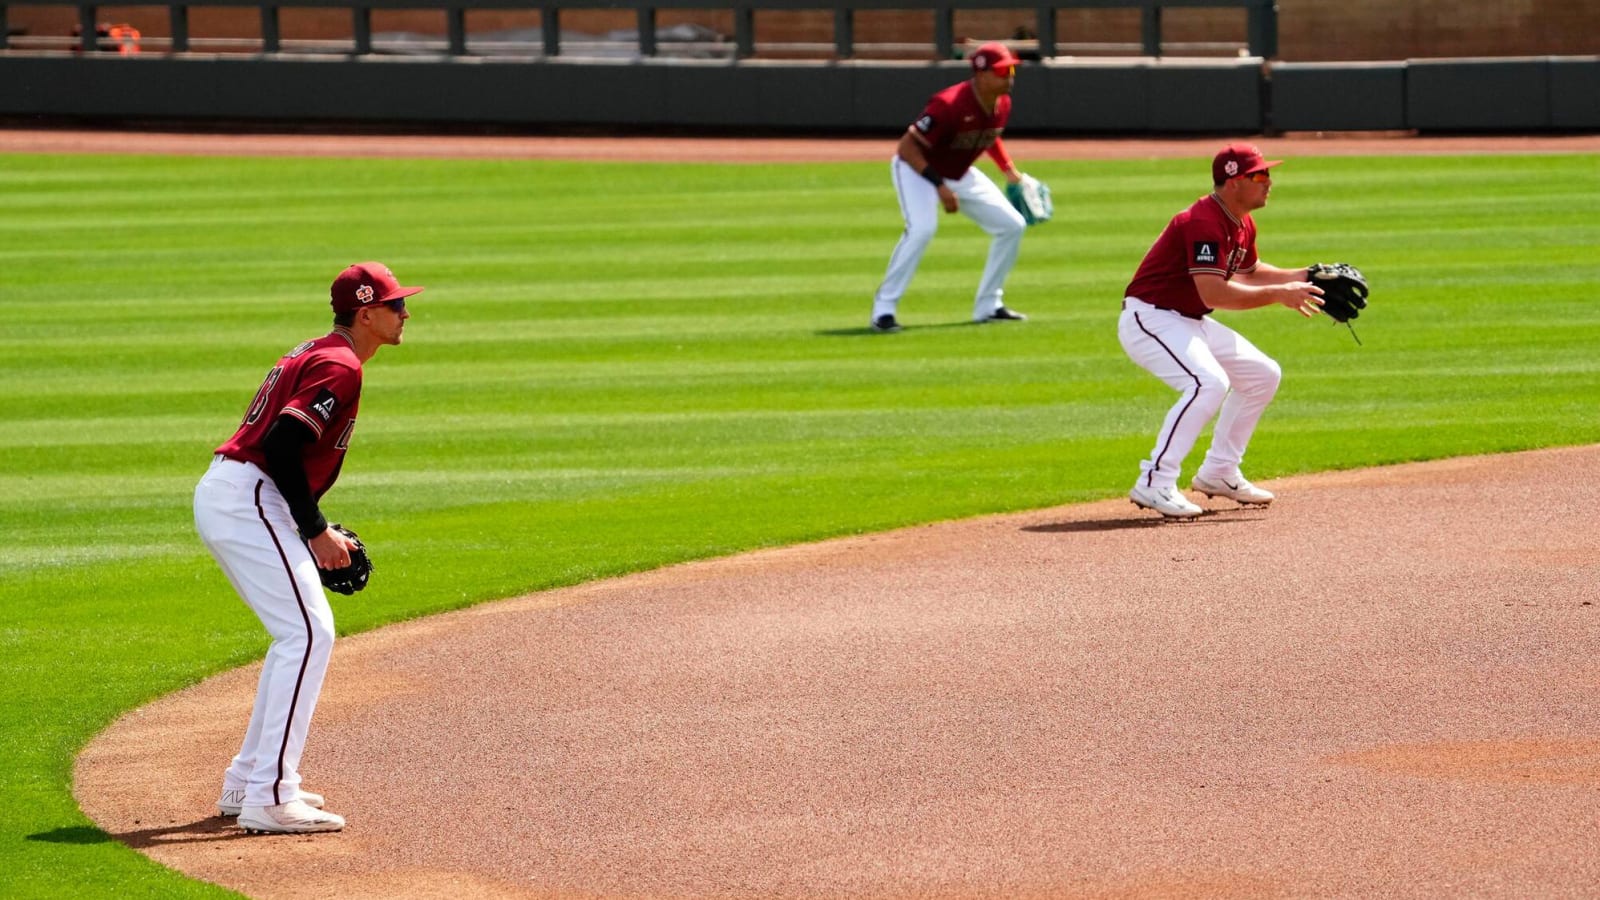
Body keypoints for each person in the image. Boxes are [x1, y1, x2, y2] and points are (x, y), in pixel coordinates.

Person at [193, 261, 422, 833]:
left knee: (299, 632)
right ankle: (269, 797)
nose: (405, 313)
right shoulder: (341, 364)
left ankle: (249, 780)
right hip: (249, 495)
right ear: (365, 313)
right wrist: (315, 528)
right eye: (395, 305)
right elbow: (282, 443)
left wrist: (309, 526)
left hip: (241, 496)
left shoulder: (321, 351)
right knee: (308, 632)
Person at [1119, 143, 1328, 519]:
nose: (1269, 182)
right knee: (1207, 382)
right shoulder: (1203, 222)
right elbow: (1215, 292)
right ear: (1232, 181)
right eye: (1259, 175)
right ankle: (1155, 481)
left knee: (1262, 375)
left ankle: (1219, 471)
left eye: (1267, 173)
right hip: (1150, 318)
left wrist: (1305, 276)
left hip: (1185, 319)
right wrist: (1280, 294)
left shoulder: (1241, 220)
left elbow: (1249, 270)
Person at [869, 41, 1031, 332]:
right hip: (916, 171)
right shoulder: (948, 104)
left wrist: (1008, 169)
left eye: (1011, 69)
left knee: (1012, 226)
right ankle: (884, 309)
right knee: (922, 230)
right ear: (980, 74)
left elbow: (988, 134)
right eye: (1001, 71)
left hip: (959, 172)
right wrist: (940, 187)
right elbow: (907, 147)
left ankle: (989, 305)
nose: (1009, 76)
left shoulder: (1002, 101)